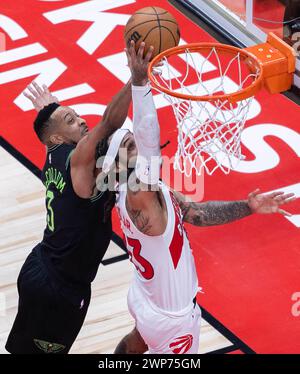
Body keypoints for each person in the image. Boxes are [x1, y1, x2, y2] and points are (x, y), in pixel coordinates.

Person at [93, 41, 297, 354]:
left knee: (135, 346)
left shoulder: (129, 190)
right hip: (172, 317)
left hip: (146, 298)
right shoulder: (140, 192)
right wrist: (140, 84)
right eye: (130, 147)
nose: (142, 148)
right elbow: (149, 133)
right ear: (118, 163)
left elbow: (193, 212)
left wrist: (248, 206)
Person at [5, 77, 133, 353]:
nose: (83, 121)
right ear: (58, 137)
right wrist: (136, 78)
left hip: (41, 267)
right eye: (71, 120)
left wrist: (51, 108)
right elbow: (110, 122)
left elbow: (55, 128)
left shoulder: (55, 152)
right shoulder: (77, 161)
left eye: (76, 116)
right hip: (59, 289)